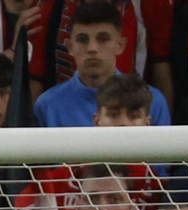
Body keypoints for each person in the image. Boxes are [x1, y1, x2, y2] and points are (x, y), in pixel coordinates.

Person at [35, 1, 172, 127]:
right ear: (70, 47)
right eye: (83, 40)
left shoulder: (153, 101)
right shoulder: (47, 106)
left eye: (103, 39)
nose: (92, 48)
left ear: (121, 45)